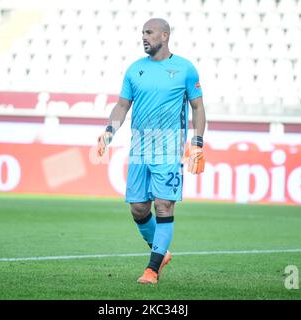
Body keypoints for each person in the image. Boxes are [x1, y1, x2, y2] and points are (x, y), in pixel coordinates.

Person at [97, 18, 206, 284]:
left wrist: (197, 143)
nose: (143, 37)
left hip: (169, 149)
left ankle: (152, 269)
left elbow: (198, 108)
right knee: (138, 209)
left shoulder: (185, 69)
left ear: (165, 36)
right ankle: (161, 251)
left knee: (164, 204)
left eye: (149, 32)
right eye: (142, 33)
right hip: (139, 149)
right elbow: (122, 106)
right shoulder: (135, 70)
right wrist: (109, 131)